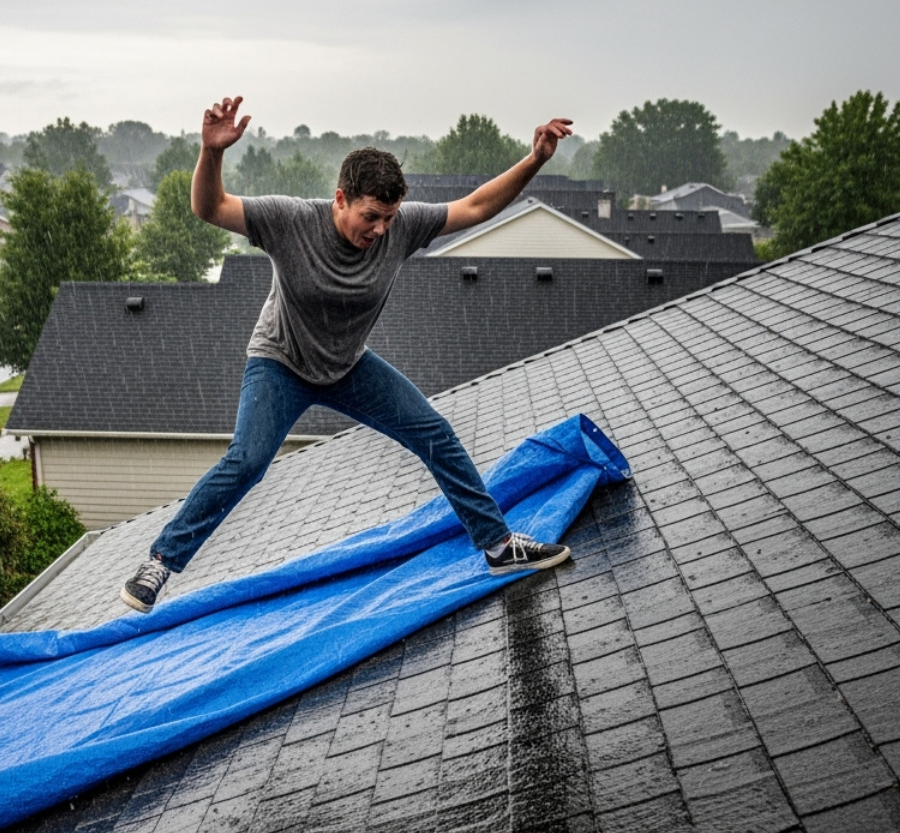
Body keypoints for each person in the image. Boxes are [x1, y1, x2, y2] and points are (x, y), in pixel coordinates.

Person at [123, 96, 576, 612]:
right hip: (281, 362)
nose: (380, 230)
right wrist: (211, 153)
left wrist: (535, 158)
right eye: (371, 217)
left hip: (346, 365)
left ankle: (497, 545)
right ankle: (160, 562)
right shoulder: (290, 220)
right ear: (340, 199)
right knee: (247, 459)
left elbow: (474, 207)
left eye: (389, 218)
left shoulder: (399, 228)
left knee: (435, 434)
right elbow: (210, 208)